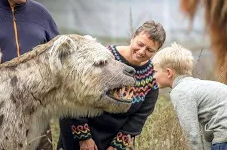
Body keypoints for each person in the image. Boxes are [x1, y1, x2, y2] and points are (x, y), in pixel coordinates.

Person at [58, 20, 166, 150]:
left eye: (149, 50)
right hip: (78, 134)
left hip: (112, 141)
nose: (142, 51)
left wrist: (117, 146)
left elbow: (139, 117)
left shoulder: (151, 79)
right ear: (132, 38)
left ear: (156, 51)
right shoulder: (102, 58)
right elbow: (73, 97)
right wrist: (84, 138)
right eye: (140, 44)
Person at [152, 42, 227, 150]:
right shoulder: (198, 85)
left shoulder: (181, 92)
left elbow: (192, 135)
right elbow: (206, 131)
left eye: (155, 71)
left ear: (168, 72)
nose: (152, 75)